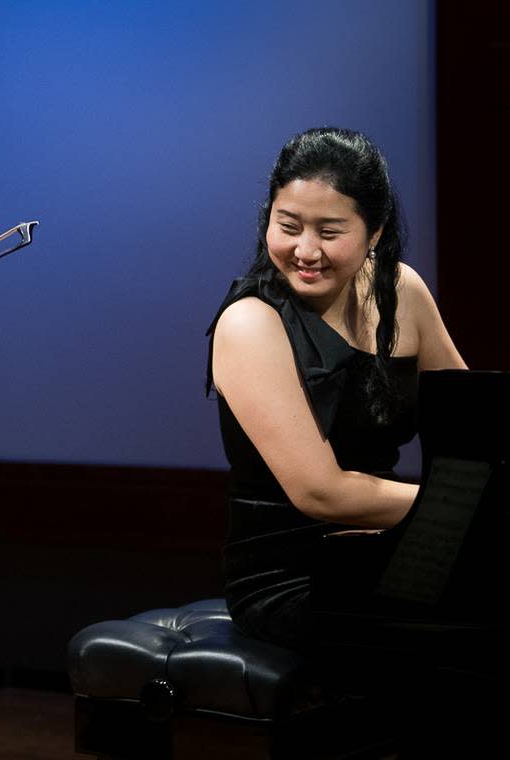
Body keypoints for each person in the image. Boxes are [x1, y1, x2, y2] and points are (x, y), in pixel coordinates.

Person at [205, 127, 465, 651]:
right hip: (292, 579)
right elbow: (320, 492)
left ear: (375, 232)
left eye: (329, 231)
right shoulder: (250, 321)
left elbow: (475, 423)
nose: (306, 250)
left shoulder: (401, 290)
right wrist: (467, 511)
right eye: (289, 225)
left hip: (391, 546)